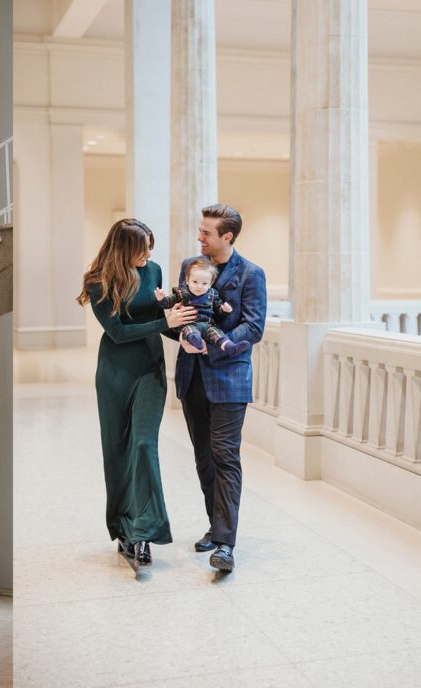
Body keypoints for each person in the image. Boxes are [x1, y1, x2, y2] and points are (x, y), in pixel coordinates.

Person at [77, 218, 188, 567]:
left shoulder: (153, 271)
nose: (149, 254)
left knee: (143, 444)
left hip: (149, 371)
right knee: (117, 454)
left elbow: (162, 317)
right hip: (114, 375)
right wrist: (164, 323)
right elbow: (119, 333)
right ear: (125, 251)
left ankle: (143, 533)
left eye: (151, 247)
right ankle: (123, 528)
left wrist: (184, 334)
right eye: (143, 249)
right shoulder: (98, 282)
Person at [173, 203, 267, 573]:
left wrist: (216, 340)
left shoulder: (251, 274)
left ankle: (225, 544)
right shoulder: (189, 268)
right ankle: (216, 525)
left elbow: (254, 326)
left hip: (229, 377)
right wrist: (179, 333)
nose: (200, 237)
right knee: (203, 457)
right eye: (200, 231)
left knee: (225, 455)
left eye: (206, 233)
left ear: (227, 237)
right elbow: (181, 314)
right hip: (191, 375)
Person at [155, 257, 251, 356]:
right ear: (187, 280)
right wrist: (161, 298)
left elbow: (218, 310)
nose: (199, 286)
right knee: (189, 331)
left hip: (208, 325)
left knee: (218, 334)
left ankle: (230, 347)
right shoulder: (182, 293)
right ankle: (196, 341)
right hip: (190, 324)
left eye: (204, 283)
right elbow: (167, 303)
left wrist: (224, 309)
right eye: (195, 282)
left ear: (210, 284)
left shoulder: (213, 294)